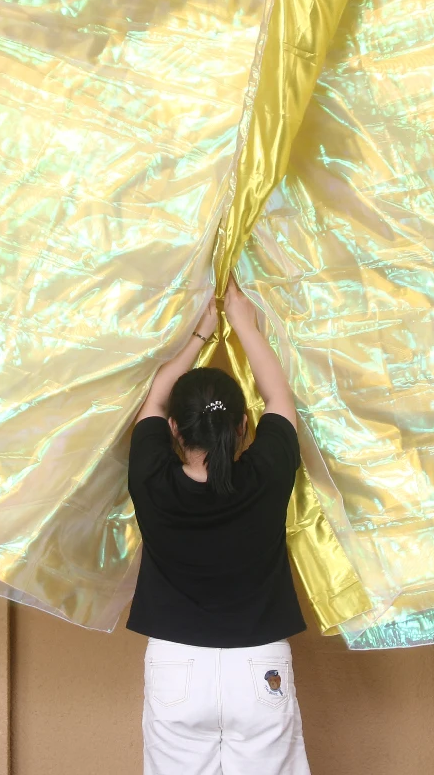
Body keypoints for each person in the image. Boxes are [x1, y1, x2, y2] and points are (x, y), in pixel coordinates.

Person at [127, 277, 310, 775]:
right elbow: (279, 396)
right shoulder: (268, 471)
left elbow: (155, 399)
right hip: (260, 666)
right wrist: (243, 323)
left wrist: (199, 336)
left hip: (176, 666)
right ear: (244, 427)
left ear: (172, 431)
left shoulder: (149, 474)